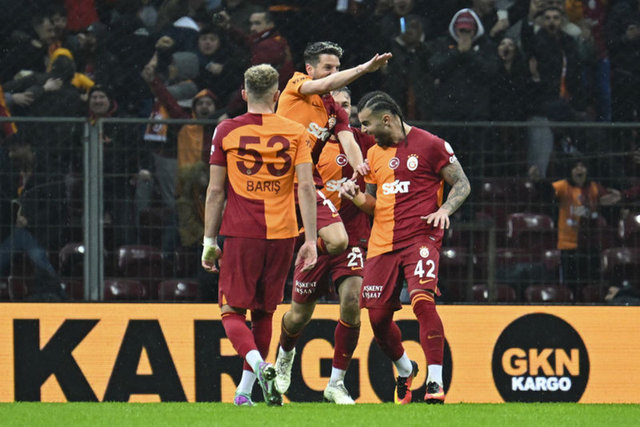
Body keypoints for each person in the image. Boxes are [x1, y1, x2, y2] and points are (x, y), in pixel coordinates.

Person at [339, 91, 470, 405]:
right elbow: (373, 205)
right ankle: (406, 368)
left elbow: (462, 183)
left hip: (421, 237)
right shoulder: (374, 155)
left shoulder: (432, 145)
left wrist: (444, 210)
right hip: (382, 243)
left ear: (386, 119)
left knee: (423, 302)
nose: (364, 130)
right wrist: (355, 197)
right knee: (378, 319)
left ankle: (435, 382)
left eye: (367, 124)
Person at [201, 64, 318, 407]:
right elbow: (306, 188)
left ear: (243, 94)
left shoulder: (226, 130)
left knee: (231, 311)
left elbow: (215, 191)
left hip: (242, 233)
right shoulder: (295, 131)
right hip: (283, 234)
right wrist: (311, 240)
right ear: (277, 95)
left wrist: (209, 242)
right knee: (264, 312)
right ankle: (244, 392)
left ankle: (259, 365)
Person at [274, 88, 375, 404]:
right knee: (297, 316)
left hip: (353, 236)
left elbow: (391, 151)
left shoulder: (362, 142)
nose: (342, 110)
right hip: (316, 239)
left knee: (352, 301)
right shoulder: (306, 144)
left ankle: (336, 383)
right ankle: (284, 355)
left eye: (347, 104)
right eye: (337, 105)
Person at [276, 41, 391, 257]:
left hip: (306, 183)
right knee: (268, 246)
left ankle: (304, 249)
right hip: (276, 179)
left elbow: (348, 141)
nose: (334, 73)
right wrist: (363, 69)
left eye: (337, 68)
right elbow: (323, 85)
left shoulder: (335, 109)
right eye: (328, 67)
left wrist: (360, 167)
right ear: (310, 69)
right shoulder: (297, 83)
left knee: (339, 241)